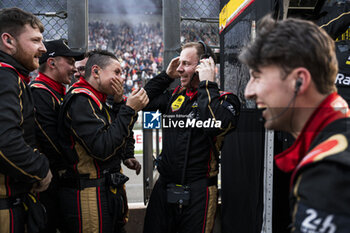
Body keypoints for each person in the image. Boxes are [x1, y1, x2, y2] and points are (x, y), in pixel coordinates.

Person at [241, 15, 350, 232]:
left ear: (299, 80)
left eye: (258, 76)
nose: (248, 92)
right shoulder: (333, 144)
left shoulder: (330, 170)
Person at [143, 42, 240, 233]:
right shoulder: (174, 96)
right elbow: (144, 101)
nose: (179, 69)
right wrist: (166, 76)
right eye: (179, 63)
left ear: (203, 66)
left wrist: (207, 84)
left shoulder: (226, 100)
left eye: (185, 64)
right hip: (164, 189)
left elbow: (213, 123)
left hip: (199, 193)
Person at [58, 50, 148, 233]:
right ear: (96, 71)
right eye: (117, 72)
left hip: (106, 190)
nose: (122, 79)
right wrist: (129, 110)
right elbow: (103, 147)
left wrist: (119, 104)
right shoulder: (81, 100)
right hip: (89, 193)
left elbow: (116, 135)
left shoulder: (97, 100)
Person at [0, 7, 52, 233]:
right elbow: (5, 143)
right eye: (36, 40)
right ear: (8, 41)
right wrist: (40, 170)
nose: (43, 48)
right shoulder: (5, 76)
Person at [30, 38, 85, 233]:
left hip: (59, 181)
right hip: (49, 183)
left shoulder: (56, 92)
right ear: (51, 63)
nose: (74, 67)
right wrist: (75, 165)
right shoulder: (39, 92)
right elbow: (51, 140)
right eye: (69, 62)